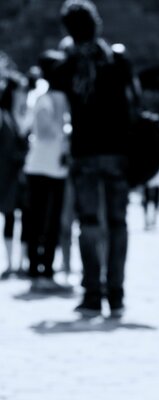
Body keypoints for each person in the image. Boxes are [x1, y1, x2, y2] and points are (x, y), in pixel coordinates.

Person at [59, 0, 139, 318]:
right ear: (97, 25)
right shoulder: (117, 60)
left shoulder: (68, 65)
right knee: (118, 224)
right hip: (117, 152)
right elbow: (135, 100)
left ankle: (92, 294)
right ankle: (116, 296)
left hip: (84, 153)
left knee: (89, 224)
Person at [23, 49, 72, 292]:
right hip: (39, 167)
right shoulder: (43, 99)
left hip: (57, 169)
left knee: (52, 222)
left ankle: (48, 269)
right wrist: (65, 126)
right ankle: (35, 270)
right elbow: (44, 132)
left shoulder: (60, 98)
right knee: (36, 220)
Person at [0, 72, 29, 280]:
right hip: (7, 176)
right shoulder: (3, 117)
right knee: (9, 217)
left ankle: (23, 263)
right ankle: (10, 263)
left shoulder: (25, 114)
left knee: (27, 218)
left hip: (25, 176)